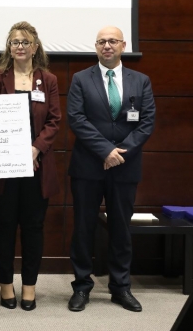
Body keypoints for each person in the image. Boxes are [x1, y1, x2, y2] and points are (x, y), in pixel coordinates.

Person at [66, 26, 155, 313]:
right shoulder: (81, 79)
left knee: (120, 229)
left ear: (123, 45)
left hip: (125, 167)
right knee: (84, 228)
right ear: (95, 47)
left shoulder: (140, 81)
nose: (107, 45)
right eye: (102, 41)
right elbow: (76, 119)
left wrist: (120, 153)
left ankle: (120, 288)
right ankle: (82, 286)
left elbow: (146, 123)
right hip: (88, 166)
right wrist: (106, 150)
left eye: (113, 41)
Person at [0, 21, 61, 311]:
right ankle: (5, 285)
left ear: (35, 47)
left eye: (25, 42)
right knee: (4, 227)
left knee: (33, 227)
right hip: (4, 166)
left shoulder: (47, 80)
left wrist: (35, 149)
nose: (20, 47)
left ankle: (29, 287)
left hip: (37, 167)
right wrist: (15, 151)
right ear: (9, 48)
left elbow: (54, 121)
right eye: (15, 42)